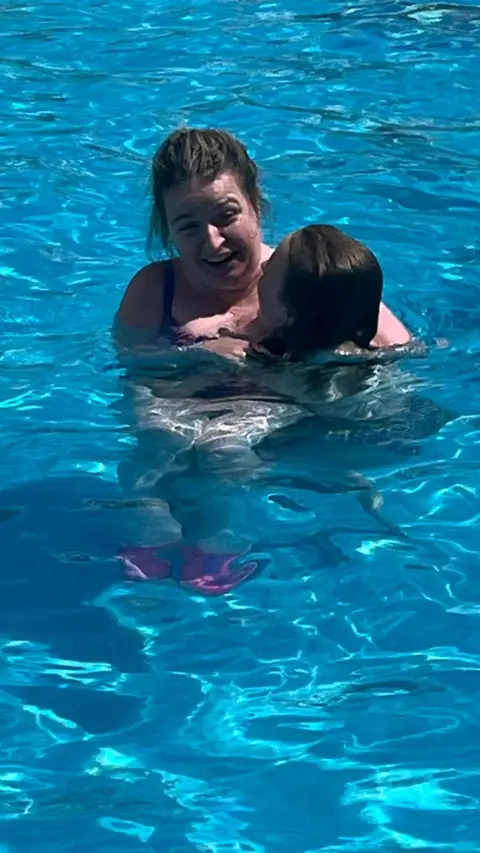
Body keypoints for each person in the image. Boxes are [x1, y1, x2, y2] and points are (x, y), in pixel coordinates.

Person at [117, 224, 422, 593]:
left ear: (286, 313)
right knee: (163, 431)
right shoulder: (291, 328)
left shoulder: (281, 343)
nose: (262, 266)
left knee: (219, 447)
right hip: (269, 407)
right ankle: (155, 517)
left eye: (271, 268)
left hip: (273, 408)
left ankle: (219, 535)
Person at [114, 127, 411, 354]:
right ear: (168, 229)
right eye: (188, 226)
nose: (213, 241)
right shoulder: (155, 290)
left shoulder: (304, 273)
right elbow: (129, 367)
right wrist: (200, 354)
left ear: (255, 205)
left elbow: (397, 352)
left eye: (226, 216)